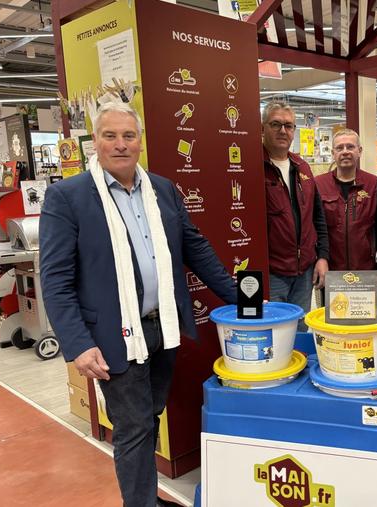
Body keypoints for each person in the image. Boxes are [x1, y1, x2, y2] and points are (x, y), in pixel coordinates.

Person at [39, 103, 237, 507]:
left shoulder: (162, 189)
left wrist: (246, 300)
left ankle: (144, 496)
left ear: (140, 142)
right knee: (133, 428)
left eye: (128, 136)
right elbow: (55, 280)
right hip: (112, 336)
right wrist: (77, 344)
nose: (120, 144)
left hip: (161, 327)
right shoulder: (68, 197)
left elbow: (194, 247)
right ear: (95, 141)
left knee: (148, 418)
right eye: (110, 136)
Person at [262, 101, 329, 330]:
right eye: (276, 124)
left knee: (299, 331)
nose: (283, 131)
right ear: (263, 128)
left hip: (304, 271)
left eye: (289, 126)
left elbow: (317, 217)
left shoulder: (302, 167)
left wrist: (322, 257)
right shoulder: (251, 167)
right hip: (273, 273)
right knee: (274, 335)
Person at [315, 128, 377, 287]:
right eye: (339, 148)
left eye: (350, 147)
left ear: (359, 151)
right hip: (330, 271)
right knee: (330, 312)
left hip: (365, 271)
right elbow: (314, 229)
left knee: (364, 313)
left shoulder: (372, 184)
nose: (345, 152)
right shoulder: (319, 185)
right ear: (333, 153)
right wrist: (318, 261)